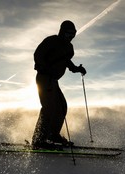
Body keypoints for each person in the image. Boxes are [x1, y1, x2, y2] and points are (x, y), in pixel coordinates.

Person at [32, 20, 86, 149]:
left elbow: (66, 61)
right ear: (62, 31)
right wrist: (43, 67)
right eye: (68, 33)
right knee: (49, 107)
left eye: (73, 34)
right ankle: (39, 140)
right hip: (45, 78)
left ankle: (52, 135)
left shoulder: (68, 47)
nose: (71, 36)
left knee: (61, 106)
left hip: (53, 81)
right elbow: (38, 55)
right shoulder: (52, 41)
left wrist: (77, 69)